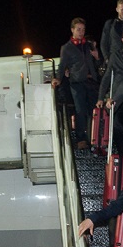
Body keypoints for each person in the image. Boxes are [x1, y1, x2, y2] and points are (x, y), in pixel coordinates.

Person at [52, 17, 102, 150]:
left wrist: (97, 57)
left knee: (94, 111)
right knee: (80, 111)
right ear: (72, 30)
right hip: (77, 82)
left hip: (92, 81)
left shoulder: (88, 45)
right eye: (78, 29)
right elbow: (62, 65)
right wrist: (58, 78)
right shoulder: (66, 48)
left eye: (83, 29)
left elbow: (97, 63)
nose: (81, 32)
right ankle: (81, 139)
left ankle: (94, 138)